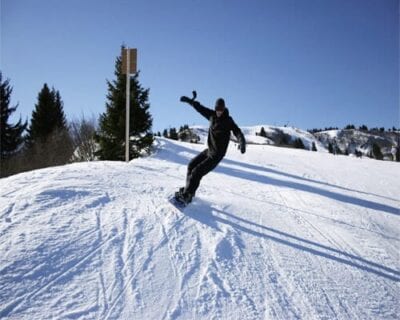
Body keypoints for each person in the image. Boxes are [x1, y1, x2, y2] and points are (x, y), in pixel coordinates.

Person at [175, 93, 246, 205]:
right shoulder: (212, 115)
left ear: (224, 109)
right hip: (209, 151)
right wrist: (190, 101)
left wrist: (242, 142)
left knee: (197, 172)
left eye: (221, 109)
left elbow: (237, 131)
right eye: (217, 109)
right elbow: (200, 108)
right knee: (191, 166)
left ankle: (187, 195)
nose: (219, 112)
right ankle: (188, 191)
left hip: (217, 155)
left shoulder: (228, 120)